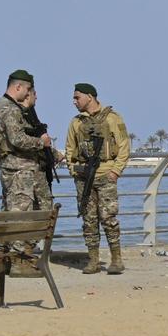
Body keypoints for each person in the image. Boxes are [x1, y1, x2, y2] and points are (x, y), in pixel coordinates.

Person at [0, 70, 52, 278]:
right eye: (28, 89)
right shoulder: (10, 110)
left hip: (8, 166)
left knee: (10, 211)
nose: (29, 93)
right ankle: (18, 261)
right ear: (18, 87)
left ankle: (3, 259)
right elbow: (18, 140)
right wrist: (42, 142)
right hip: (20, 168)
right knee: (21, 214)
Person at [65, 83, 131, 275]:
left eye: (77, 97)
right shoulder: (76, 123)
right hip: (84, 178)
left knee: (109, 218)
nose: (74, 101)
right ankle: (93, 260)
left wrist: (115, 171)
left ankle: (116, 259)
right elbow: (70, 149)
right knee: (88, 219)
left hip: (105, 175)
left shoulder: (112, 118)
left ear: (90, 97)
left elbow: (124, 146)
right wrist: (73, 170)